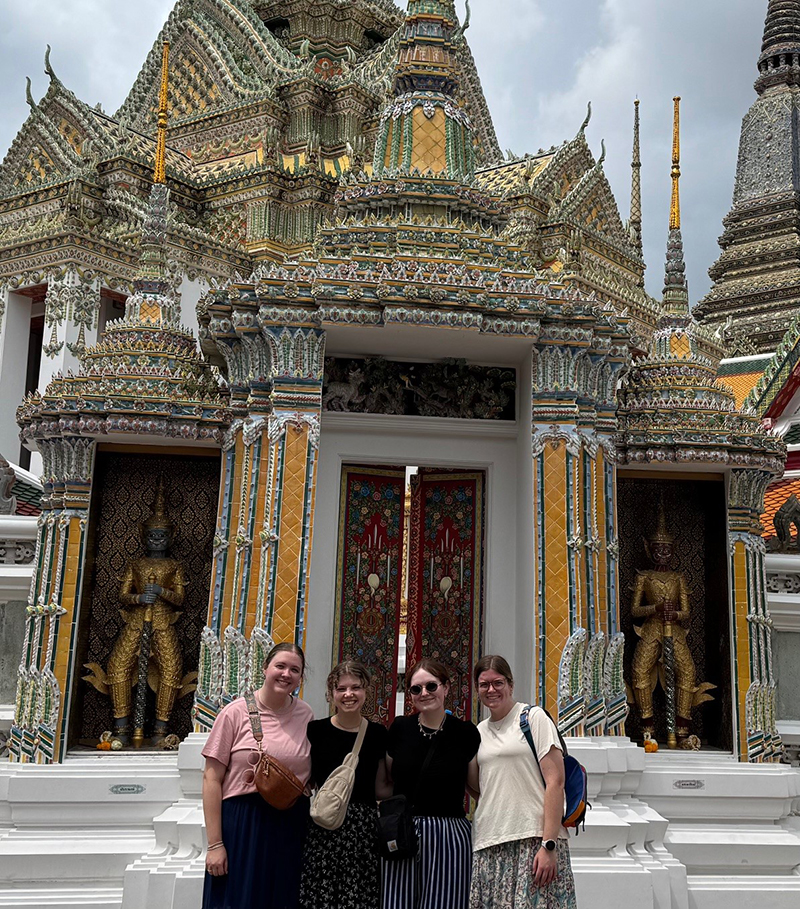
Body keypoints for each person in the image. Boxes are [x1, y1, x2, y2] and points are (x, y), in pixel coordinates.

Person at [202, 642, 314, 909]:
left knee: (281, 897)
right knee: (239, 898)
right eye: (280, 666)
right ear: (265, 668)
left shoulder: (305, 714)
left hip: (289, 823)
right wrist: (215, 844)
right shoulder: (234, 713)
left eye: (295, 670)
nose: (287, 674)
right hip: (243, 822)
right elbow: (211, 779)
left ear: (300, 677)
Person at [467, 655, 577, 909]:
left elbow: (555, 782)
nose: (491, 690)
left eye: (498, 682)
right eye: (484, 684)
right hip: (491, 841)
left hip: (533, 839)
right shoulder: (477, 733)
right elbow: (479, 788)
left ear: (511, 685)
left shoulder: (532, 718)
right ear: (477, 689)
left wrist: (548, 844)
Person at [382, 658, 480, 909]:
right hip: (402, 831)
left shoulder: (465, 732)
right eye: (416, 689)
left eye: (431, 686)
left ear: (446, 688)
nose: (424, 693)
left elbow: (475, 786)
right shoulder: (400, 728)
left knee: (445, 903)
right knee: (396, 902)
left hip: (448, 834)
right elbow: (390, 777)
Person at [299, 660, 390, 909]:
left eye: (356, 688)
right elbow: (305, 777)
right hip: (324, 828)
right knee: (321, 896)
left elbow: (381, 786)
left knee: (359, 896)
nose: (348, 694)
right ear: (331, 693)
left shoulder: (378, 734)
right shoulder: (315, 731)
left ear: (366, 691)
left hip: (363, 831)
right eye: (341, 689)